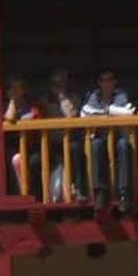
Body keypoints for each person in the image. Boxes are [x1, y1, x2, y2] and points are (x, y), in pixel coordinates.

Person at [80, 70, 135, 211]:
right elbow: (85, 113)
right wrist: (111, 111)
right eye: (103, 80)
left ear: (114, 82)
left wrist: (103, 113)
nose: (107, 83)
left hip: (119, 135)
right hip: (100, 136)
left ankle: (124, 193)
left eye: (110, 80)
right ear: (99, 83)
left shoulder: (120, 95)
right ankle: (100, 193)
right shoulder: (94, 96)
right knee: (96, 145)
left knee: (124, 145)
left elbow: (127, 113)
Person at [0, 76, 41, 196]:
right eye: (11, 88)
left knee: (17, 159)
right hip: (6, 148)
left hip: (29, 148)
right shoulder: (1, 107)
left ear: (24, 90)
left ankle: (24, 194)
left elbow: (32, 121)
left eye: (18, 88)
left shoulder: (31, 107)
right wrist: (12, 102)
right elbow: (9, 117)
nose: (15, 91)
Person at [42, 69, 83, 203]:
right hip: (49, 142)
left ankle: (78, 189)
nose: (59, 86)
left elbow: (71, 116)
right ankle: (43, 195)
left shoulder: (73, 98)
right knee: (36, 159)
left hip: (69, 140)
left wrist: (62, 97)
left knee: (76, 148)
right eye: (55, 83)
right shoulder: (44, 101)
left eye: (62, 82)